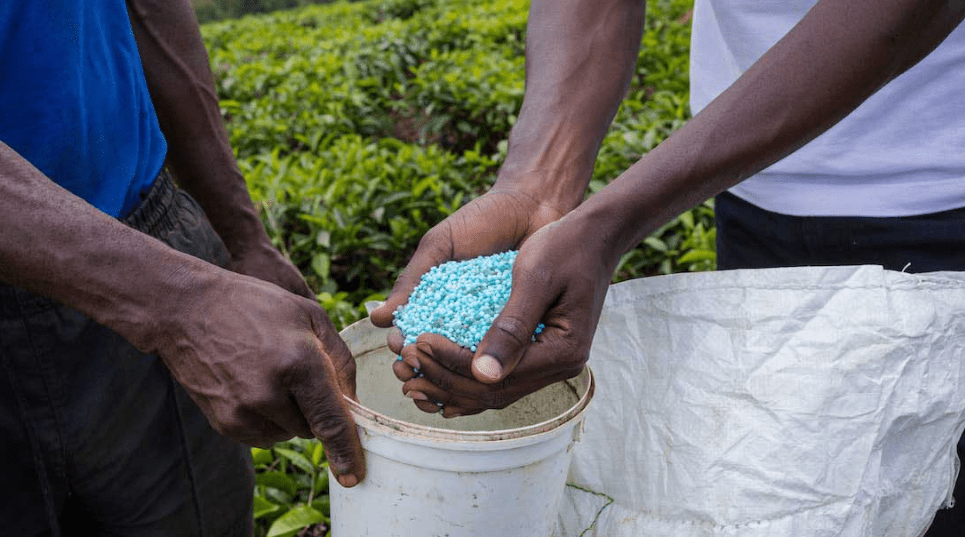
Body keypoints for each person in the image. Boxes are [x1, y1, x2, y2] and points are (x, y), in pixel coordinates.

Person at [369, 0, 965, 532]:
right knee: (781, 480)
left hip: (941, 203)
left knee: (930, 494)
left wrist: (609, 224)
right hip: (751, 183)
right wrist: (536, 188)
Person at [0, 1, 364, 535]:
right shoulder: (176, 302)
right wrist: (178, 303)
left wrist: (243, 240)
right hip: (155, 287)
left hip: (144, 235)